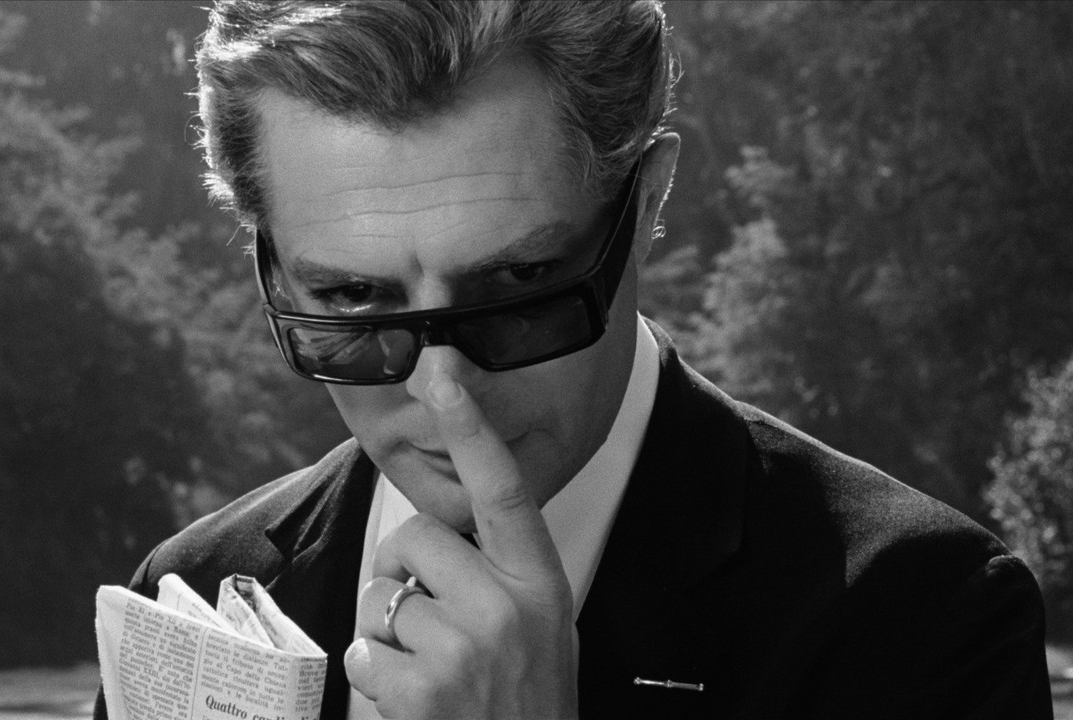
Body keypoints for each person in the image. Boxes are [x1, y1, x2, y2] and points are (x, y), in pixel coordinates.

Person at [96, 1, 1053, 718]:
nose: (445, 392)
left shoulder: (929, 622)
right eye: (350, 301)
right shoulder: (184, 594)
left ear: (648, 201)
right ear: (266, 259)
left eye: (520, 286)